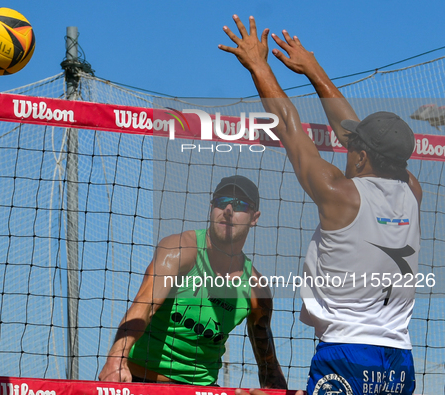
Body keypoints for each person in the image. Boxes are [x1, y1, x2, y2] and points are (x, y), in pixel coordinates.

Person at [220, 15, 421, 395]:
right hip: (399, 358)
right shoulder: (413, 191)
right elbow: (355, 133)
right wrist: (313, 69)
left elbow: (287, 123)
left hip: (348, 351)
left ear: (361, 157)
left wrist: (258, 65)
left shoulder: (340, 192)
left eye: (354, 149)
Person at [98, 175, 287, 388]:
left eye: (240, 204)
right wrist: (117, 357)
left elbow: (267, 364)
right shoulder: (179, 250)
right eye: (221, 201)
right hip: (142, 381)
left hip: (200, 389)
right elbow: (144, 305)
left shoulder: (255, 288)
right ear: (211, 208)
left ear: (255, 217)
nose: (228, 209)